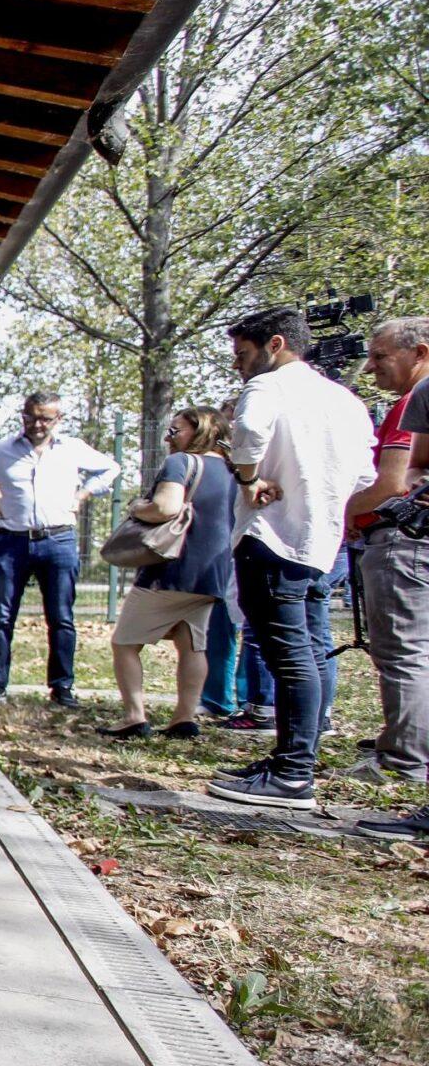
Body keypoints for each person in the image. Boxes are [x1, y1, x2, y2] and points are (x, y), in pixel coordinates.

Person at [209, 306, 375, 810]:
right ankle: (289, 760)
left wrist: (247, 479)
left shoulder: (268, 388)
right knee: (305, 650)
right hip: (319, 543)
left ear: (275, 344)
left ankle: (293, 773)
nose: (239, 366)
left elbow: (249, 437)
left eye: (242, 354)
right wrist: (323, 503)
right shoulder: (344, 399)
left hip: (271, 536)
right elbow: (366, 476)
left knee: (289, 655)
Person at [96, 407, 234, 739]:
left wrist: (135, 507)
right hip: (212, 573)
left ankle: (134, 716)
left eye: (176, 431)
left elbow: (165, 507)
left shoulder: (182, 462)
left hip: (169, 569)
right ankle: (184, 717)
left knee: (125, 642)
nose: (169, 438)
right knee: (192, 645)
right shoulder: (233, 470)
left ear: (200, 431)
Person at [0, 392, 120, 706]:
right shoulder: (0, 450)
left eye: (46, 418)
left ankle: (62, 689)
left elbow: (111, 468)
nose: (37, 424)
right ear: (23, 416)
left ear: (58, 419)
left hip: (58, 540)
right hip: (12, 541)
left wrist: (83, 494)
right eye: (32, 417)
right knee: (1, 616)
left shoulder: (72, 449)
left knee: (61, 617)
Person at [343, 318, 429, 784]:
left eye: (380, 356)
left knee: (403, 652)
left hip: (407, 542)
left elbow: (393, 485)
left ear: (419, 353)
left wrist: (340, 515)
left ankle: (403, 760)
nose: (370, 365)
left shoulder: (417, 399)